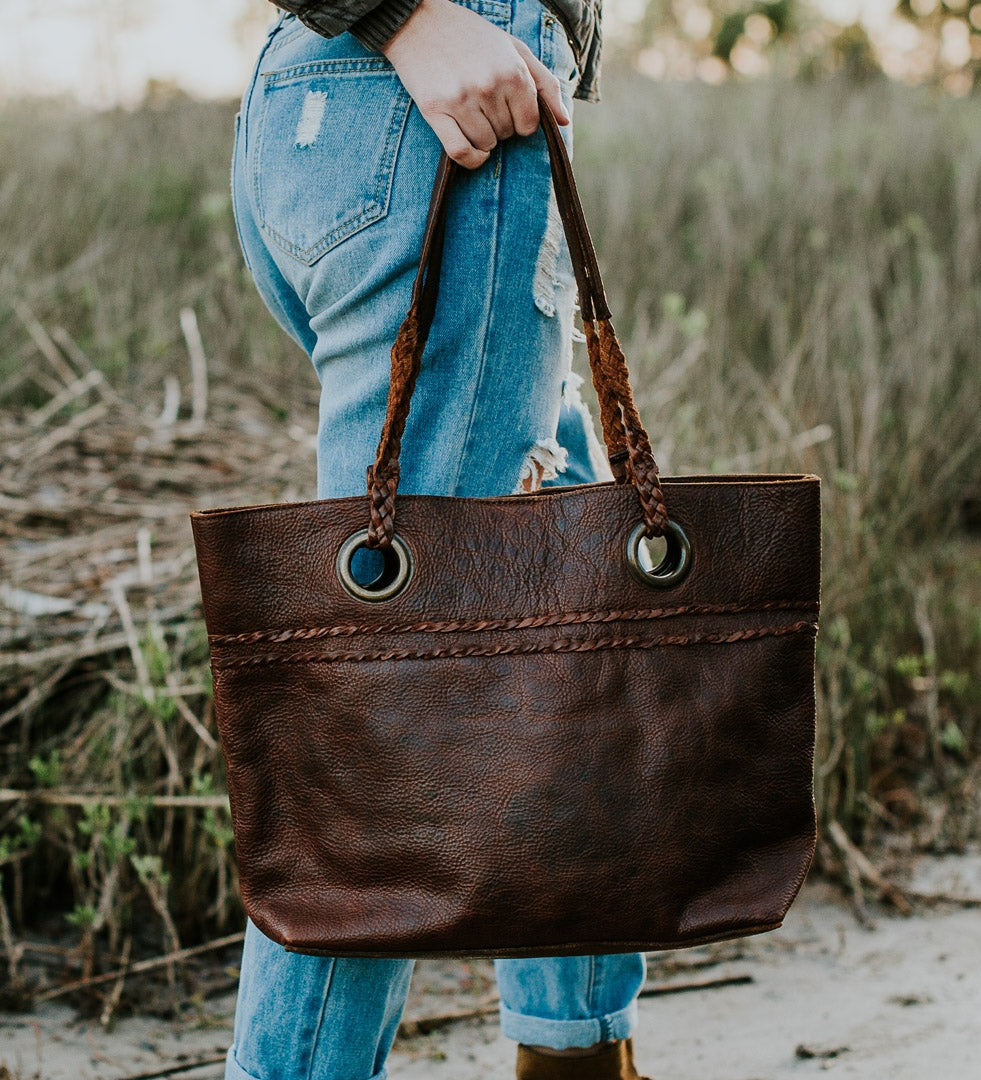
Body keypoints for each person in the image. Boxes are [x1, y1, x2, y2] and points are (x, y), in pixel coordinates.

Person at [228, 0, 654, 1076]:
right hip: (436, 97)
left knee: (558, 565)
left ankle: (575, 1042)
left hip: (354, 100)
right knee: (396, 687)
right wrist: (400, 16)